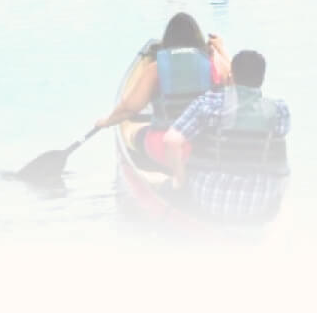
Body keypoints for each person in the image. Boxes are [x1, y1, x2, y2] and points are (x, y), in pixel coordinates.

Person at [163, 48, 290, 224]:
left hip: (208, 198)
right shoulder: (278, 110)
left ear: (232, 75)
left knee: (171, 187)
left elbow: (171, 140)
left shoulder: (209, 103)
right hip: (258, 203)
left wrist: (180, 180)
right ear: (262, 78)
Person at [94, 12, 232, 161]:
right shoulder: (215, 65)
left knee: (134, 134)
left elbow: (129, 109)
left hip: (165, 146)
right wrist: (221, 49)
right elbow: (239, 86)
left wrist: (107, 122)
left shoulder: (156, 69)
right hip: (204, 144)